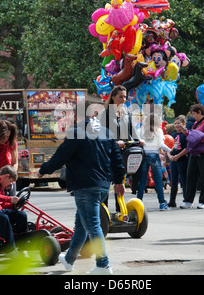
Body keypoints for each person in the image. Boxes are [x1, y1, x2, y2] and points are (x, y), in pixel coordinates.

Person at [38, 101, 125, 275]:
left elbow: (60, 157)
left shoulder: (76, 133)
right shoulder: (106, 133)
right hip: (102, 185)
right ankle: (69, 259)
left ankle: (103, 265)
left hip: (85, 186)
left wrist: (43, 170)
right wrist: (119, 180)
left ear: (76, 115)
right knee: (81, 225)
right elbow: (117, 159)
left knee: (93, 226)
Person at [99, 85, 142, 203]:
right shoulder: (106, 113)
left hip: (123, 152)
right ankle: (104, 212)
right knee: (107, 183)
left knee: (120, 183)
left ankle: (120, 211)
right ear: (113, 97)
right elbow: (102, 133)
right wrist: (114, 142)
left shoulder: (126, 111)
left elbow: (132, 129)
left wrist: (139, 140)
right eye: (121, 97)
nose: (124, 100)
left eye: (125, 97)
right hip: (109, 152)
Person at [180, 104, 204, 209]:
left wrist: (195, 137)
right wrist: (186, 132)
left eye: (194, 114)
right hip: (195, 152)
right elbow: (193, 135)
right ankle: (188, 200)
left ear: (200, 112)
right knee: (190, 176)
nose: (193, 116)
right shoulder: (196, 122)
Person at [137, 113, 171, 211]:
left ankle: (138, 202)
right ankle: (162, 203)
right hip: (154, 156)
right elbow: (161, 144)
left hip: (144, 155)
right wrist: (170, 150)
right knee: (158, 181)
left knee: (143, 180)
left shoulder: (141, 130)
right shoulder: (158, 131)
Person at [168, 115, 188, 207]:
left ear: (183, 124)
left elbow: (187, 148)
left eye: (178, 123)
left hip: (182, 159)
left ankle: (186, 199)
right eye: (175, 123)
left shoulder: (185, 135)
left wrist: (178, 156)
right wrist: (170, 156)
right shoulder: (172, 135)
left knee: (183, 180)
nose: (176, 125)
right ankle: (172, 200)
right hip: (173, 160)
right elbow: (168, 147)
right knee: (173, 180)